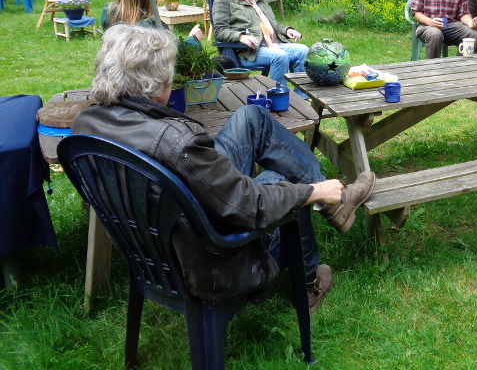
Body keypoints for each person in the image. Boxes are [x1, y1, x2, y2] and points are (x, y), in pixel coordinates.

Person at [72, 24, 376, 311]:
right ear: (158, 84)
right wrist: (312, 190)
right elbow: (250, 205)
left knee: (251, 118)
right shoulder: (176, 143)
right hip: (215, 258)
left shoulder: (85, 125)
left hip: (156, 244)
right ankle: (311, 277)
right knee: (286, 178)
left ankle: (336, 205)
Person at [212, 0, 306, 86]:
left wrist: (287, 30)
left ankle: (302, 97)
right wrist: (240, 36)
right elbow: (219, 31)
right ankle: (278, 97)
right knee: (280, 57)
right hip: (247, 51)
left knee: (303, 51)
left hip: (272, 44)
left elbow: (272, 24)